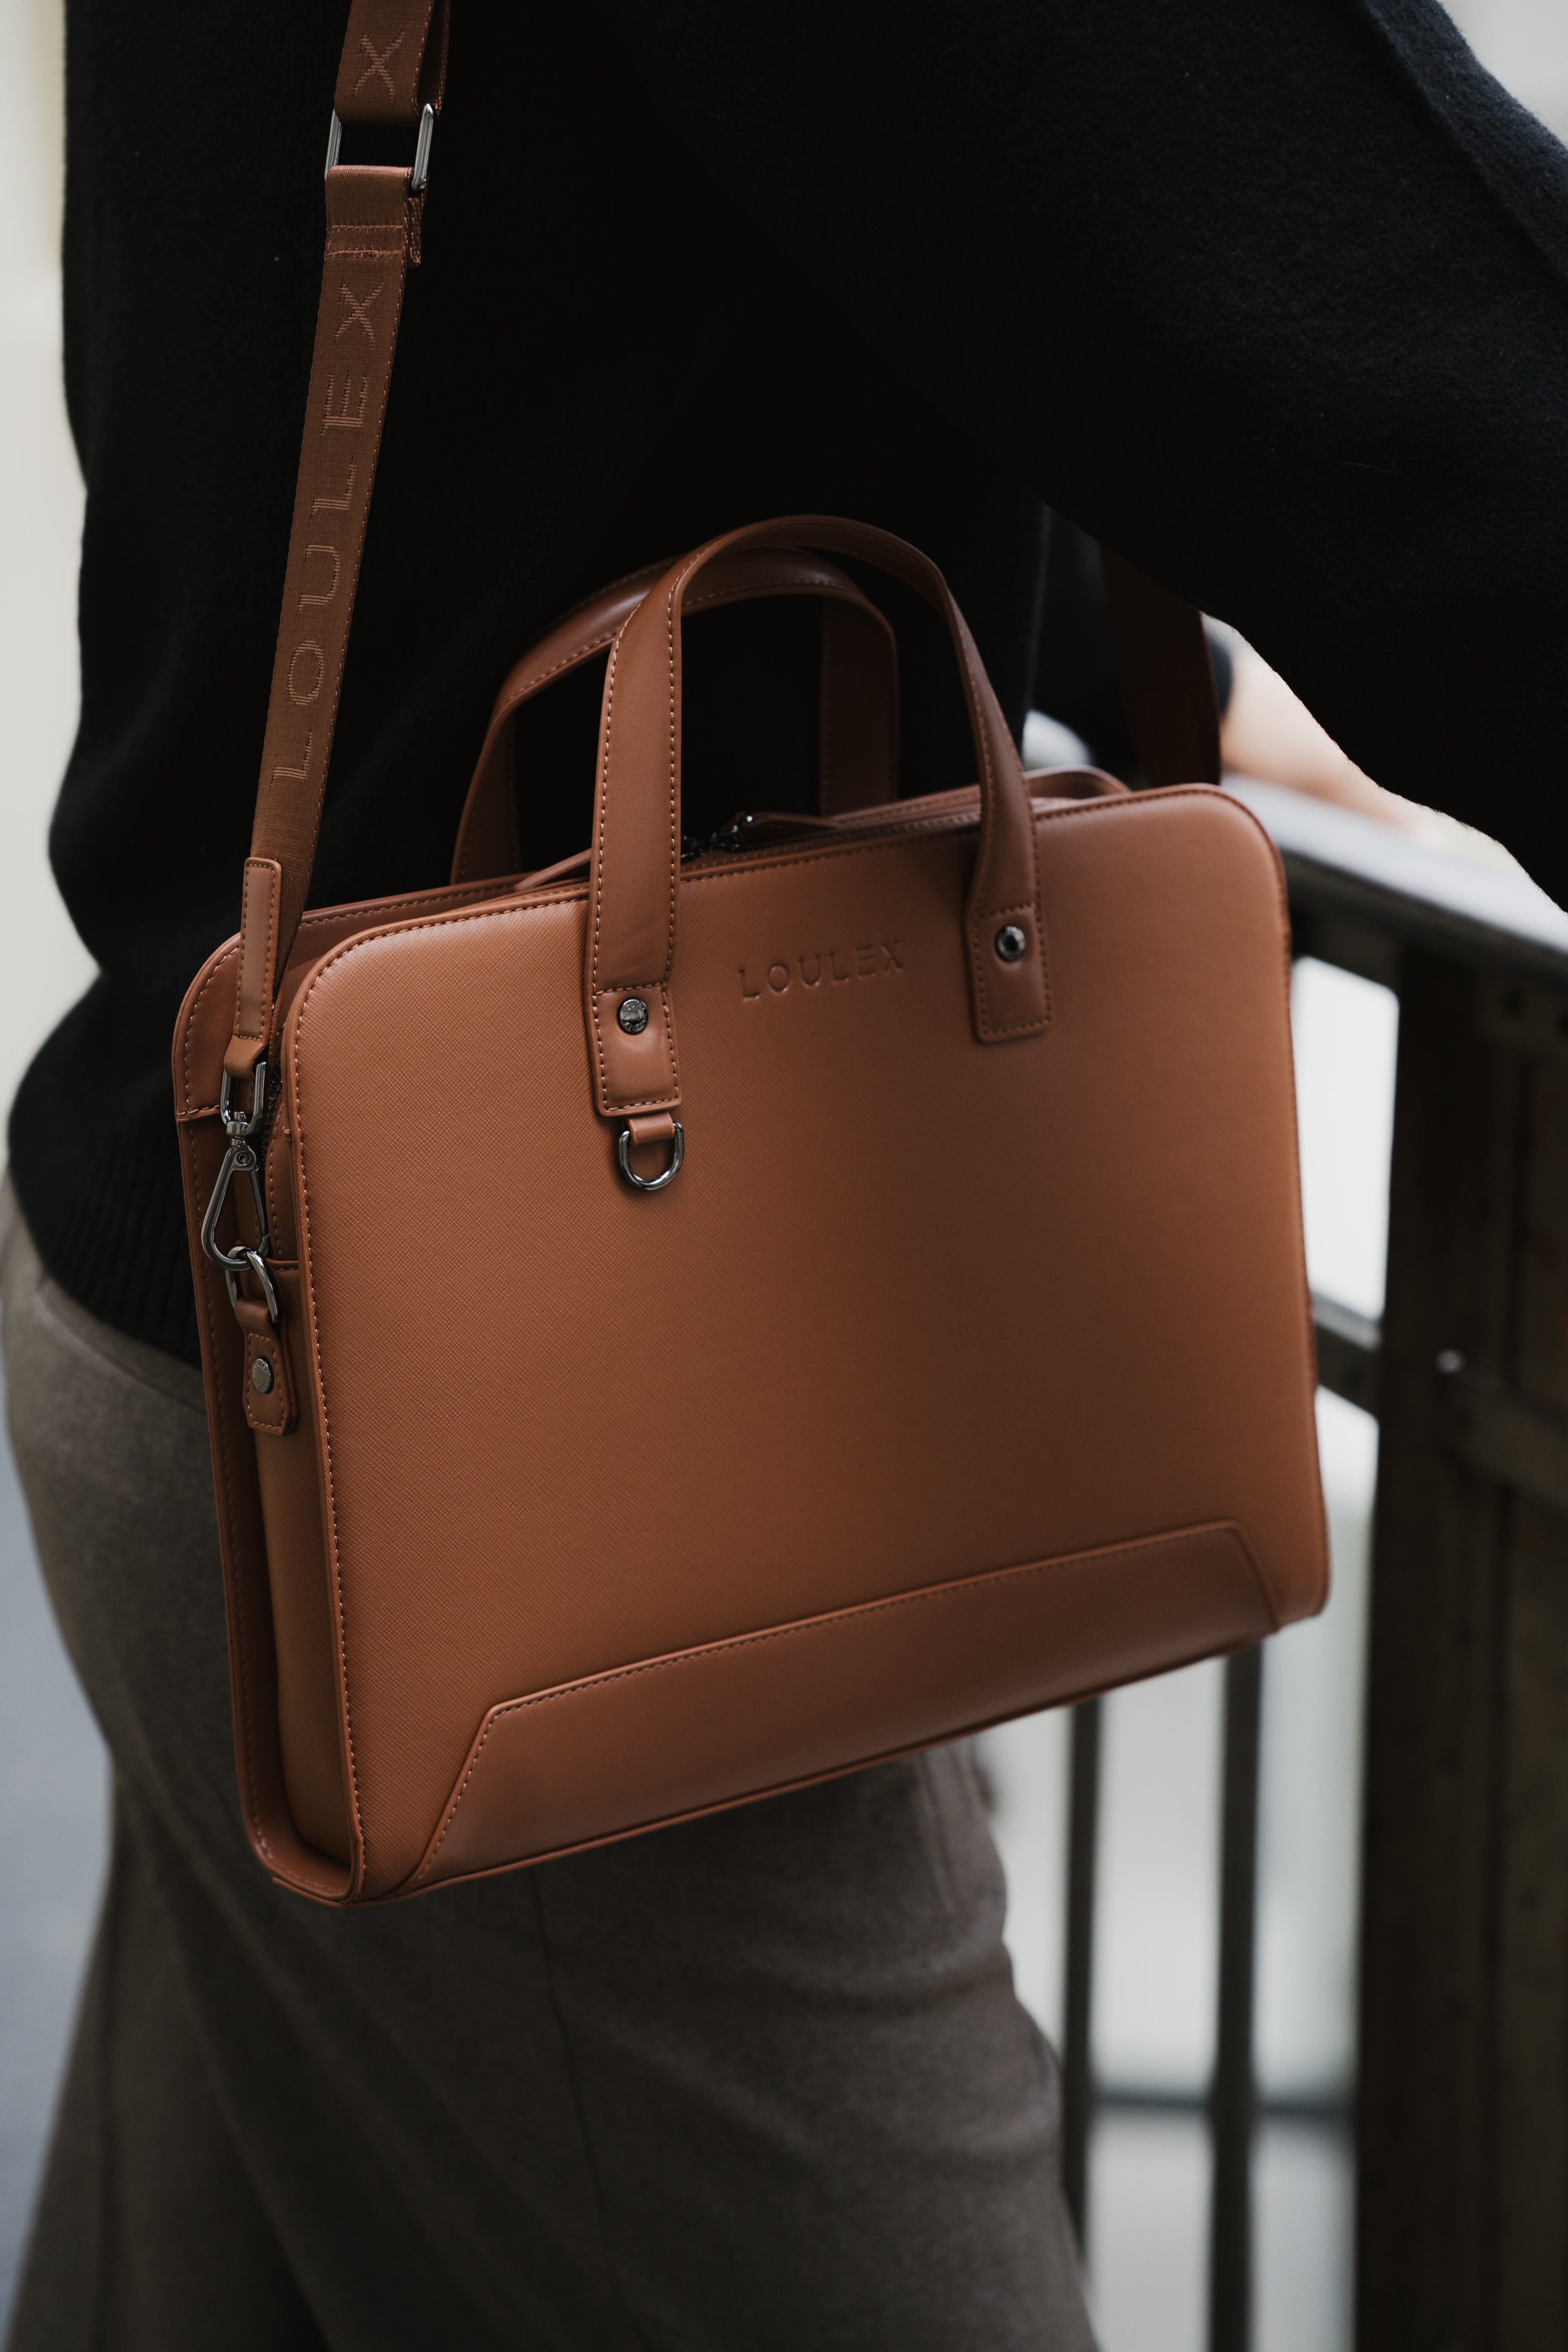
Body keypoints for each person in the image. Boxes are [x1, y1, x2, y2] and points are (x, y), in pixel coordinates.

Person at [5, 4, 1567, 2344]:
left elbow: (571, 266)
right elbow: (1353, 302)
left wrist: (1106, 649)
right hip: (517, 1528)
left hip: (235, 1331)